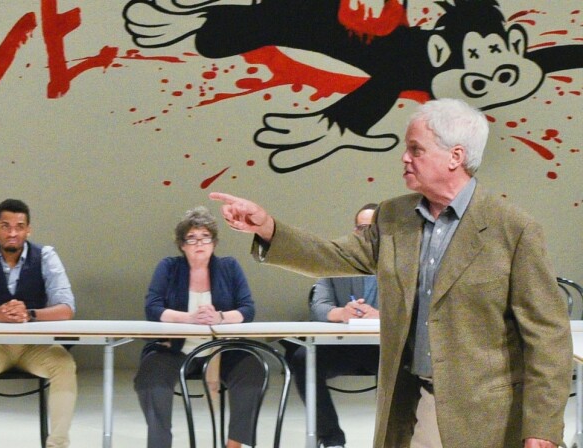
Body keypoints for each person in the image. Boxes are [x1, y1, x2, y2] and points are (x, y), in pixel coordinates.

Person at [211, 98, 571, 448]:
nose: (404, 158)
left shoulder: (512, 229)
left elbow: (547, 335)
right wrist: (268, 228)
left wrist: (541, 426)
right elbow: (331, 255)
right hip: (409, 408)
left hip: (484, 419)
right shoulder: (393, 217)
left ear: (455, 157)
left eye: (416, 149)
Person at [134, 206, 265, 448]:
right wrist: (189, 318)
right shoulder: (169, 267)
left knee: (253, 372)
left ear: (214, 243)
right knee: (150, 380)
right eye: (191, 238)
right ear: (182, 245)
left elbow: (247, 310)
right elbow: (153, 309)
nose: (199, 243)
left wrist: (220, 317)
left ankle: (234, 444)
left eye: (205, 237)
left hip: (223, 350)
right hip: (174, 349)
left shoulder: (229, 267)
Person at [0, 199, 77, 448]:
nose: (12, 233)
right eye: (5, 226)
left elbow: (67, 308)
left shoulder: (46, 255)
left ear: (28, 230)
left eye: (19, 226)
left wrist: (29, 314)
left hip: (35, 347)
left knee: (64, 364)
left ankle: (58, 444)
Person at [286, 203, 380, 448]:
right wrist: (343, 313)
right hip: (343, 345)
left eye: (373, 227)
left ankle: (393, 437)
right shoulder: (338, 258)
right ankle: (331, 439)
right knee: (302, 358)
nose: (367, 233)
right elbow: (318, 305)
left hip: (384, 348)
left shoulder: (401, 261)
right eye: (362, 228)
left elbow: (412, 307)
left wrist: (378, 315)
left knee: (407, 362)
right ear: (354, 231)